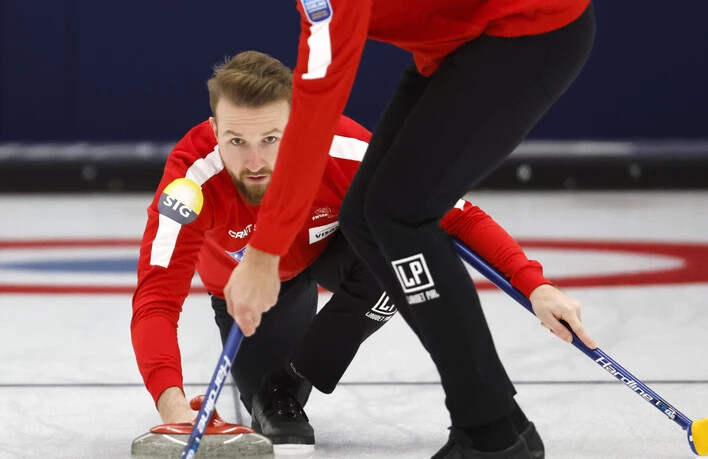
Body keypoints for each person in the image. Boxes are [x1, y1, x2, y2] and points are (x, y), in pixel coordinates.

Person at [131, 51, 586, 454]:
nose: (254, 163)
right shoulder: (189, 185)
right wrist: (173, 403)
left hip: (333, 249)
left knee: (396, 244)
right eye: (236, 141)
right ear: (214, 130)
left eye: (272, 138)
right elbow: (156, 299)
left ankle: (292, 376)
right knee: (268, 410)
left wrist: (536, 285)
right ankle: (279, 387)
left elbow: (458, 215)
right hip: (248, 290)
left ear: (300, 124)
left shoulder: (342, 148)